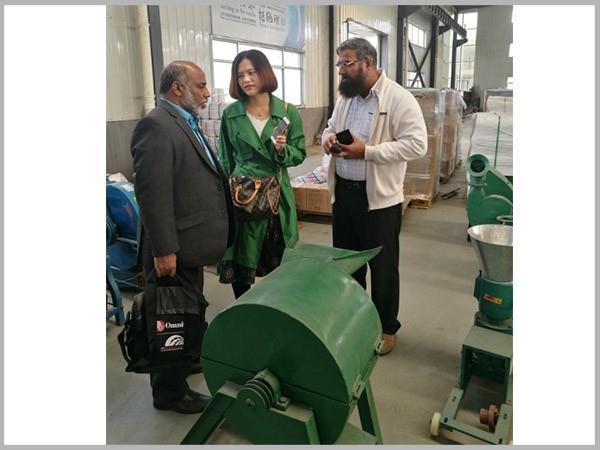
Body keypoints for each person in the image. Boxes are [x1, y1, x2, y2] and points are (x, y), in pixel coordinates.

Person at [131, 61, 234, 413]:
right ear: (178, 88)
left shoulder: (185, 121)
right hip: (172, 248)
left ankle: (187, 359)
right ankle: (169, 392)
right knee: (169, 318)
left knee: (186, 312)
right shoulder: (157, 125)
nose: (207, 93)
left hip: (188, 245)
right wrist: (164, 249)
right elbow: (152, 194)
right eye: (201, 86)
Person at [321, 38, 427, 356]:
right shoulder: (346, 98)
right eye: (339, 63)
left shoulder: (399, 99)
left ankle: (386, 327)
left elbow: (417, 144)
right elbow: (330, 127)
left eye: (347, 63)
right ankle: (354, 320)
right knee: (348, 265)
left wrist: (367, 152)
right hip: (345, 195)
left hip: (378, 202)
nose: (341, 70)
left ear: (368, 63)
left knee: (383, 268)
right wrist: (328, 140)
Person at [218, 50, 306, 299]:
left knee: (280, 254)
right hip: (243, 193)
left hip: (277, 192)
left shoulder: (287, 112)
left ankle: (278, 306)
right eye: (240, 75)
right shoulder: (231, 114)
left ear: (264, 72)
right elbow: (225, 158)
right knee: (242, 254)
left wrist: (282, 150)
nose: (246, 79)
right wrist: (225, 196)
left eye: (252, 72)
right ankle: (244, 306)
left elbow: (300, 152)